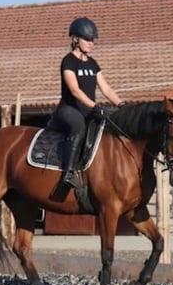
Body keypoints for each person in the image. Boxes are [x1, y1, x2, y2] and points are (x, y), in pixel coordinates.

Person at [53, 16, 125, 188]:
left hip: (88, 110)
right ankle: (68, 173)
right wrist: (95, 106)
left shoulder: (93, 64)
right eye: (88, 39)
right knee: (79, 127)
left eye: (93, 40)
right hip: (69, 109)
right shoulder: (68, 61)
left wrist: (122, 105)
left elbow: (106, 89)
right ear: (75, 39)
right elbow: (75, 91)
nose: (92, 43)